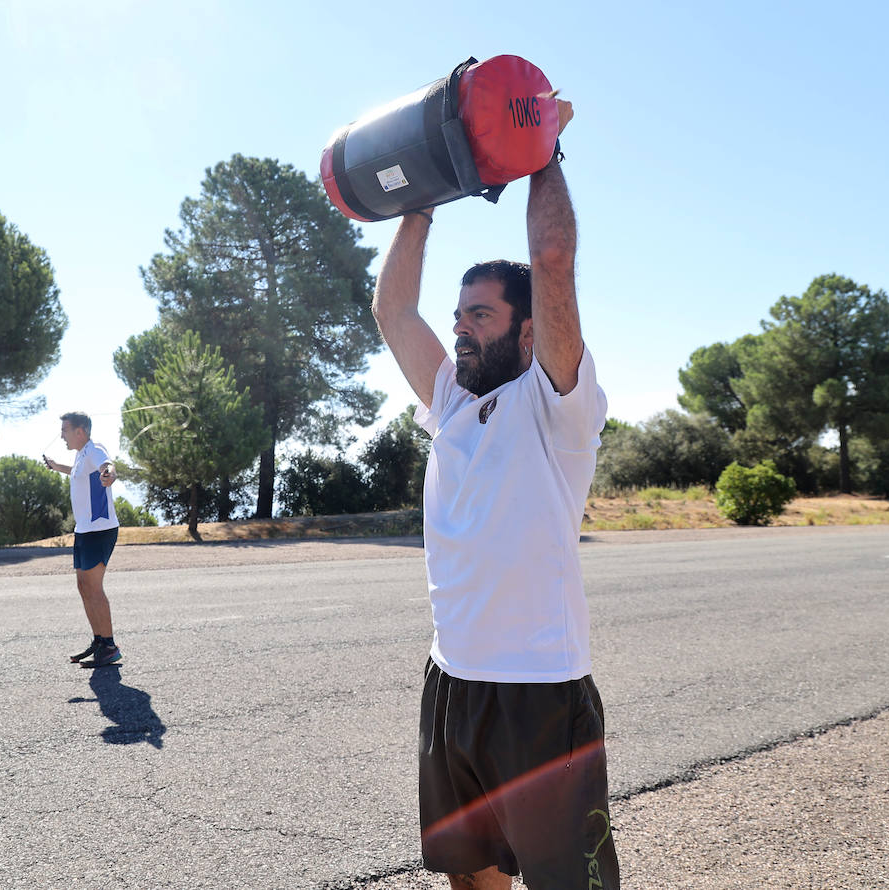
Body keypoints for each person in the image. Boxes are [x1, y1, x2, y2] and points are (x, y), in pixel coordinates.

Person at [371, 98, 619, 889]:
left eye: (480, 315)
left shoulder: (557, 407)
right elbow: (392, 310)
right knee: (468, 874)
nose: (462, 329)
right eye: (460, 316)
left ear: (524, 332)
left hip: (541, 695)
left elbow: (550, 260)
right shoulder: (448, 401)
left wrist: (543, 150)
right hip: (452, 683)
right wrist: (419, 198)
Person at [42, 411, 121, 667]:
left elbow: (107, 465)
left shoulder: (95, 449)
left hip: (100, 529)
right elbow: (77, 472)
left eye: (64, 430)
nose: (61, 435)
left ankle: (109, 646)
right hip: (84, 530)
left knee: (94, 588)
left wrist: (109, 474)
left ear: (80, 431)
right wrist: (56, 466)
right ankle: (99, 640)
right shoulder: (80, 456)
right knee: (83, 586)